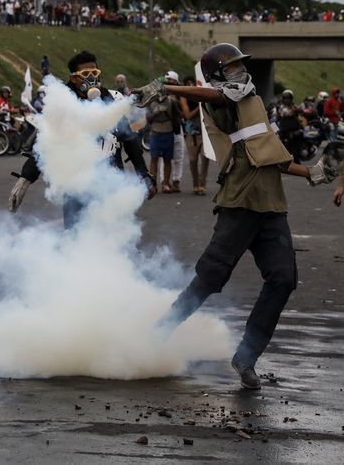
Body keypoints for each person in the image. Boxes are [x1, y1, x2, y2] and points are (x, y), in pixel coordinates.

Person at [135, 43, 339, 389]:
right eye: (231, 68)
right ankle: (156, 336)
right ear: (217, 76)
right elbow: (213, 96)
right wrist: (166, 87)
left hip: (271, 204)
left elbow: (268, 152)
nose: (241, 72)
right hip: (240, 202)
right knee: (210, 278)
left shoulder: (253, 103)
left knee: (283, 278)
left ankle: (246, 356)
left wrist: (312, 173)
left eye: (240, 67)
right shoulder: (221, 101)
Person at [9, 51, 156, 223]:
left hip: (112, 182)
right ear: (74, 78)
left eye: (95, 73)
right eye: (86, 74)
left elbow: (129, 139)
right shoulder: (63, 104)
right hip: (76, 184)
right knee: (75, 237)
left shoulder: (114, 99)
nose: (92, 78)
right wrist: (25, 179)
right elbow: (46, 144)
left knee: (115, 237)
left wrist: (143, 173)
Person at [146, 75, 181, 193]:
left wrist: (168, 113)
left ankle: (166, 182)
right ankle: (153, 182)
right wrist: (155, 113)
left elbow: (178, 117)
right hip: (155, 132)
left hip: (168, 131)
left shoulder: (171, 101)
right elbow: (148, 119)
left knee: (167, 159)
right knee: (154, 158)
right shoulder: (150, 101)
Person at [178, 75, 210, 195]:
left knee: (205, 157)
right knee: (193, 160)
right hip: (191, 133)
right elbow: (188, 115)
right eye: (188, 83)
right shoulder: (184, 97)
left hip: (204, 132)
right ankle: (195, 184)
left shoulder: (200, 96)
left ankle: (202, 185)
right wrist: (200, 107)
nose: (190, 85)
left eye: (192, 83)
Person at [275, 89, 303, 163]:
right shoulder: (280, 107)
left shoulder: (294, 106)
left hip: (294, 128)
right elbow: (285, 114)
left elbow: (301, 112)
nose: (287, 100)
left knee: (298, 142)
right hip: (284, 128)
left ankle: (297, 158)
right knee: (282, 143)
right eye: (285, 98)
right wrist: (294, 111)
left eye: (289, 98)